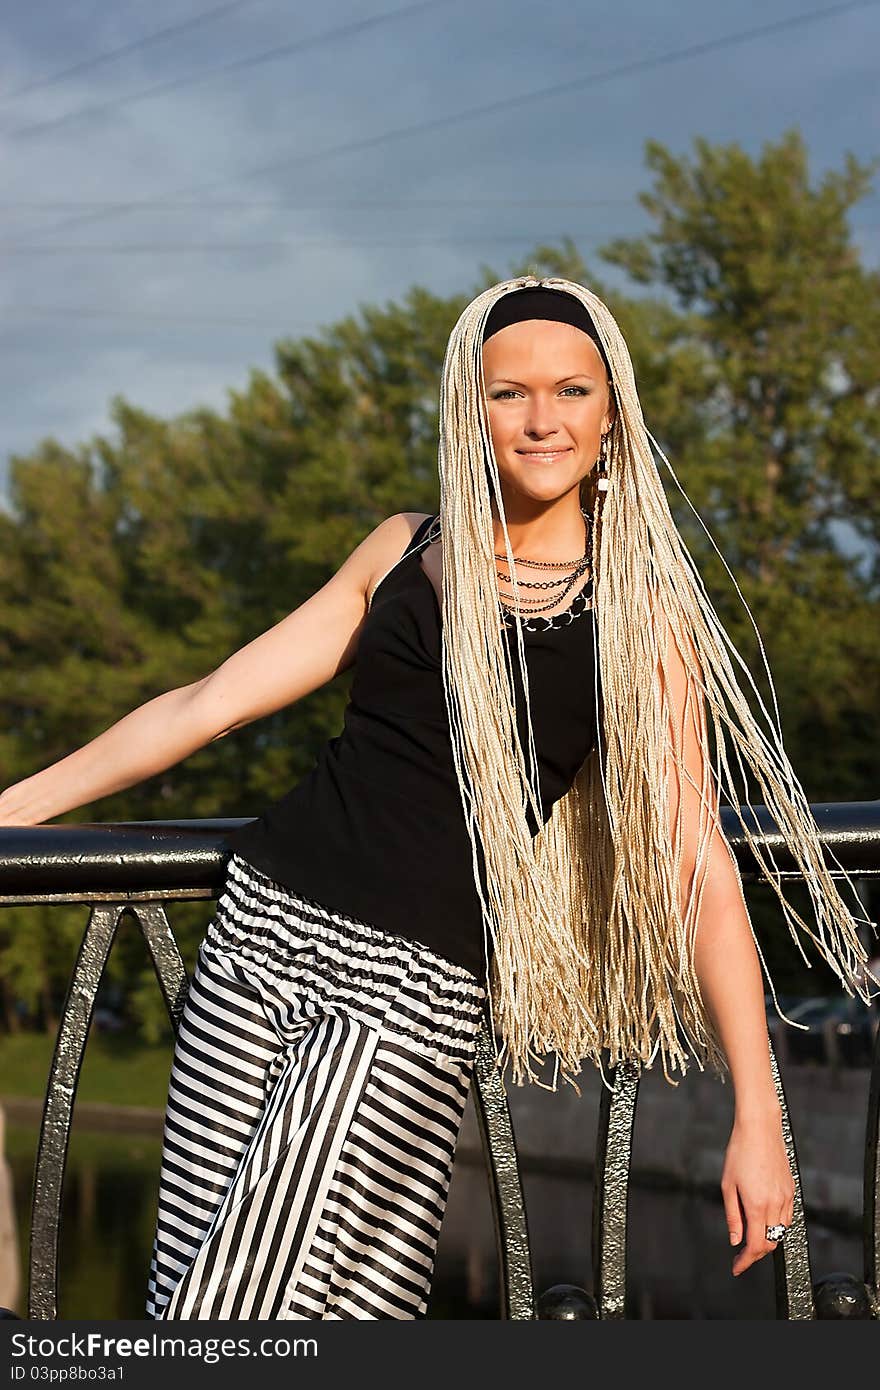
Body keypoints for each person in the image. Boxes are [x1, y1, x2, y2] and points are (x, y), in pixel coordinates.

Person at [3, 276, 877, 1320]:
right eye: (509, 393)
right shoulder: (407, 548)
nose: (541, 419)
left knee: (232, 1313)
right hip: (255, 937)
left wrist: (759, 1110)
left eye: (570, 391)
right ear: (472, 409)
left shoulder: (638, 612)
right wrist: (17, 804)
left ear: (611, 413)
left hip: (407, 990)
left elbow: (693, 855)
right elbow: (207, 705)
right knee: (234, 1298)